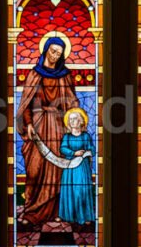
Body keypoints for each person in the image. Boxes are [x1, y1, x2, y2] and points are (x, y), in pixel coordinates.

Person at [16, 36, 77, 224]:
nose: (55, 56)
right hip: (38, 127)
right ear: (46, 50)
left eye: (59, 53)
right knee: (34, 170)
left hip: (58, 127)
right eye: (53, 51)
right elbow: (25, 104)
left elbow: (72, 101)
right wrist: (28, 124)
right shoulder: (34, 75)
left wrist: (73, 118)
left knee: (57, 169)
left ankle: (56, 210)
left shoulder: (65, 75)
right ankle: (32, 208)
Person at [58, 108, 95, 225]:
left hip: (82, 167)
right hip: (70, 167)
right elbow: (63, 148)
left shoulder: (86, 136)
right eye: (70, 119)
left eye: (75, 119)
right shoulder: (67, 137)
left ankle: (84, 215)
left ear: (81, 121)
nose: (72, 121)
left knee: (81, 189)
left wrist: (86, 153)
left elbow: (92, 149)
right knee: (69, 190)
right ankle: (68, 215)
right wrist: (74, 153)